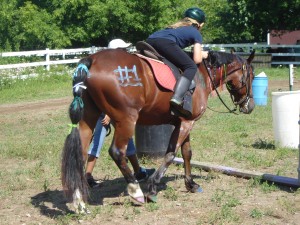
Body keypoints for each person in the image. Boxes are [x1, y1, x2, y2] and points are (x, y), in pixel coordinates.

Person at [86, 39, 155, 188]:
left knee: (127, 139)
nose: (126, 52)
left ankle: (138, 171)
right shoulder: (112, 70)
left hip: (113, 112)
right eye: (123, 50)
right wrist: (107, 113)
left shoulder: (119, 68)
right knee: (97, 141)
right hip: (106, 113)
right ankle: (87, 175)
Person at [146, 7, 208, 118]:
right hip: (165, 43)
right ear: (200, 24)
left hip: (150, 40)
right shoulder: (195, 32)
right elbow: (197, 60)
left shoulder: (174, 28)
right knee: (191, 67)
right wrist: (203, 55)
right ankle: (177, 97)